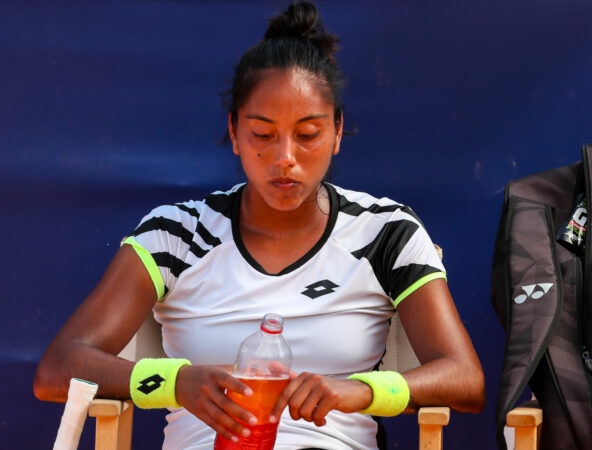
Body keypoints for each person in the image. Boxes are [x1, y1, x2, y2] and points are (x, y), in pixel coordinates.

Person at [33, 2, 485, 449]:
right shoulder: (176, 233)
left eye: (307, 134)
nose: (285, 157)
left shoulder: (385, 231)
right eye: (263, 135)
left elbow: (465, 379)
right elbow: (57, 369)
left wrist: (363, 391)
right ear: (234, 133)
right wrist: (177, 382)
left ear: (337, 132)